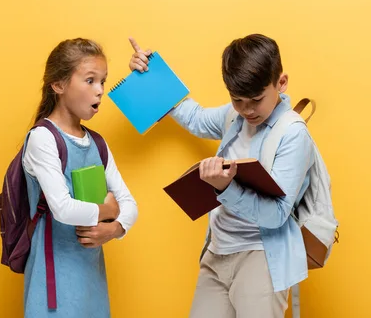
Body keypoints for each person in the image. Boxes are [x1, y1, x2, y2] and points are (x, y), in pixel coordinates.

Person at [128, 34, 313, 318]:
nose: (247, 110)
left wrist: (226, 188)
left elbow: (278, 214)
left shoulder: (293, 133)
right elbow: (196, 118)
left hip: (261, 258)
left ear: (281, 83)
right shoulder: (234, 117)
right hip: (217, 252)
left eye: (256, 99)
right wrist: (151, 77)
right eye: (237, 99)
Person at [23, 38, 138, 317]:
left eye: (103, 81)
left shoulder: (97, 143)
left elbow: (130, 202)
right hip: (52, 282)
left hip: (91, 278)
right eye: (89, 81)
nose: (100, 91)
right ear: (59, 85)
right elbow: (62, 208)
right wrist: (108, 211)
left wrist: (115, 228)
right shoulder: (43, 139)